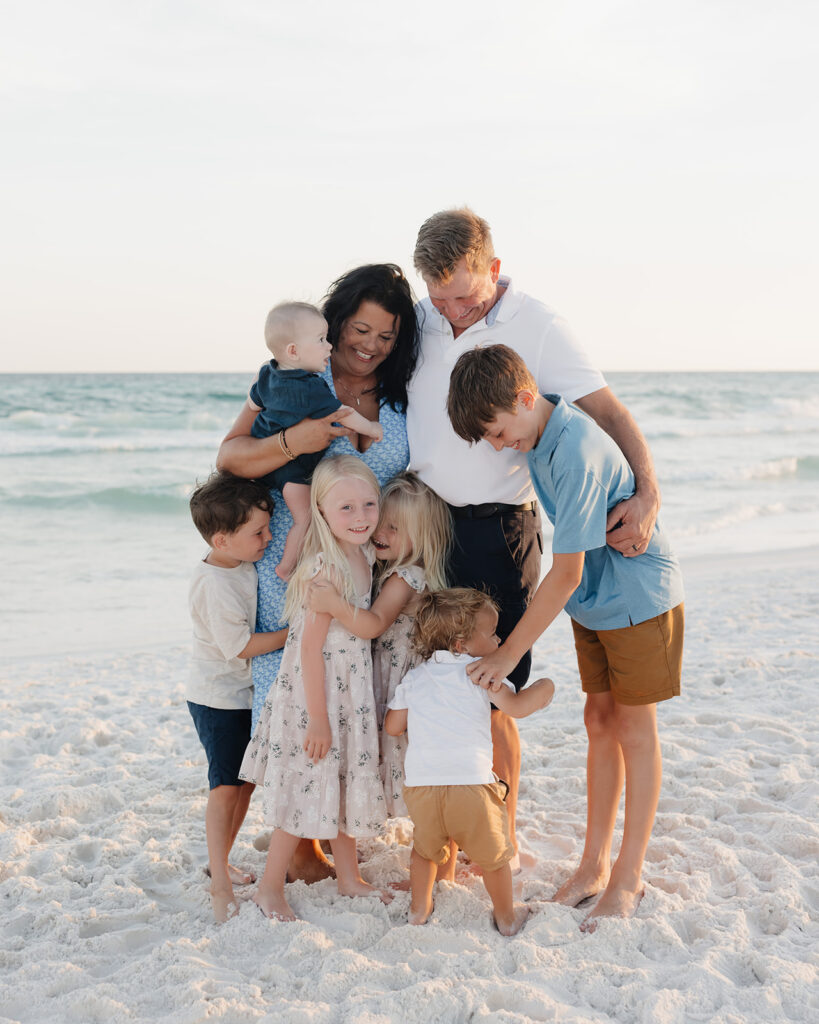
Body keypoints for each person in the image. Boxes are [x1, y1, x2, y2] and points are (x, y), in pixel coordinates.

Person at [406, 207, 662, 871]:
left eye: (463, 295)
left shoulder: (539, 326)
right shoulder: (422, 318)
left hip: (502, 526)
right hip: (431, 524)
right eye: (439, 299)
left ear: (493, 270)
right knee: (438, 681)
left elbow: (607, 413)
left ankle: (500, 833)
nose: (451, 310)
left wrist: (647, 493)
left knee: (495, 688)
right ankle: (450, 819)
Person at [447, 344, 684, 929]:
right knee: (598, 723)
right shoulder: (540, 436)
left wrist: (507, 652)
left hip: (635, 598)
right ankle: (593, 866)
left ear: (527, 398)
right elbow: (574, 572)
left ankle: (627, 876)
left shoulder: (574, 448)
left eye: (500, 432)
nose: (501, 446)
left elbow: (566, 571)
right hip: (595, 603)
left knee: (634, 729)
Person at [217, 264, 418, 883]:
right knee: (295, 704)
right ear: (334, 327)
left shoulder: (400, 394)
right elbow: (229, 456)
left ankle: (333, 833)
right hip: (297, 562)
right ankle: (299, 846)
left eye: (386, 336)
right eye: (360, 329)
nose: (370, 345)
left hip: (364, 564)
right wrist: (294, 441)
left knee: (355, 700)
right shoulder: (295, 378)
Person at [239, 455, 391, 920]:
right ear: (321, 511)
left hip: (350, 693)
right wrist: (319, 719)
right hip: (317, 696)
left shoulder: (362, 555)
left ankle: (348, 877)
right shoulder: (324, 567)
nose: (361, 516)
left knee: (340, 782)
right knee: (305, 787)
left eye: (369, 504)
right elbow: (308, 651)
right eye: (346, 508)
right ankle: (269, 887)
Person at [384, 588, 555, 935]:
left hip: (422, 787)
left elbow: (392, 727)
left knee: (425, 851)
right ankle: (506, 917)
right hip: (472, 786)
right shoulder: (481, 675)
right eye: (492, 633)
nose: (499, 639)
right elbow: (518, 708)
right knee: (495, 856)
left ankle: (419, 910)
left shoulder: (415, 678)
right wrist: (545, 688)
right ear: (461, 645)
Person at [305, 471, 452, 817]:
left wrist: (335, 605)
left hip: (398, 678)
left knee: (402, 750)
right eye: (381, 523)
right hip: (391, 674)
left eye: (394, 529)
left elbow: (372, 625)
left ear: (421, 535)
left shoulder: (405, 577)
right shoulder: (391, 569)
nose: (380, 533)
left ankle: (433, 838)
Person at [186, 471, 288, 921]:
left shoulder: (240, 562)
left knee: (244, 783)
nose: (267, 538)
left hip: (242, 692)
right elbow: (240, 647)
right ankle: (219, 887)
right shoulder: (215, 584)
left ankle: (220, 861)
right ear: (222, 539)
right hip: (218, 697)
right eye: (258, 533)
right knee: (225, 788)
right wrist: (292, 634)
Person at [248, 301, 383, 581]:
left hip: (267, 463)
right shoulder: (309, 387)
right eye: (321, 340)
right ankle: (286, 567)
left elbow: (253, 401)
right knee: (305, 518)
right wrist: (370, 427)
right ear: (294, 351)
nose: (329, 347)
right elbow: (344, 414)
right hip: (293, 470)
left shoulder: (267, 374)